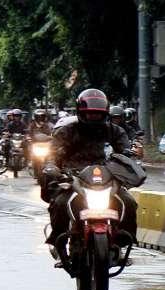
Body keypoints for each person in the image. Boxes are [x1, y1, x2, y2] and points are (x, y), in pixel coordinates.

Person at [42, 89, 137, 252]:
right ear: (81, 112)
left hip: (107, 176)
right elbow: (53, 152)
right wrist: (52, 165)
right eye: (89, 114)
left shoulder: (114, 131)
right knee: (60, 203)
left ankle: (122, 242)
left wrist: (129, 160)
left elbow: (125, 151)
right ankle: (58, 242)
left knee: (129, 202)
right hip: (75, 176)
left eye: (97, 114)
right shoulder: (67, 131)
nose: (93, 117)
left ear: (105, 113)